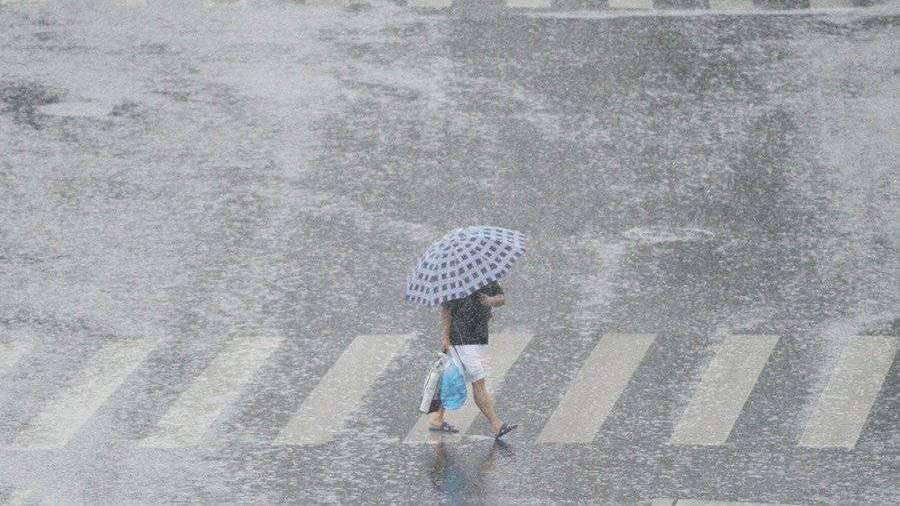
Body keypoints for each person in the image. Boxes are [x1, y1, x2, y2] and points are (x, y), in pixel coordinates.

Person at [426, 279, 518, 440]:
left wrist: (489, 301)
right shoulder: (454, 281)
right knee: (478, 382)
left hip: (477, 338)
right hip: (461, 340)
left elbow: (501, 298)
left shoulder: (486, 277)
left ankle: (436, 418)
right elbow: (446, 310)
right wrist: (446, 337)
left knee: (449, 378)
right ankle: (497, 425)